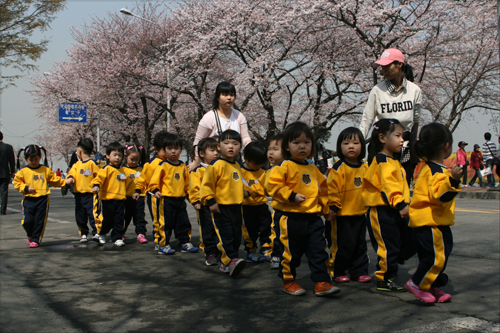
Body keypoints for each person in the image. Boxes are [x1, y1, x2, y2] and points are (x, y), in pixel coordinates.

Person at [267, 122, 340, 297]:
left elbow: (323, 191)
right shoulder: (283, 166)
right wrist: (291, 196)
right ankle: (288, 280)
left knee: (318, 250)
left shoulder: (313, 168)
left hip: (313, 218)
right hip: (290, 218)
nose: (302, 146)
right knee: (291, 252)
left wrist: (326, 209)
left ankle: (322, 282)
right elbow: (273, 187)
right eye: (296, 143)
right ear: (287, 146)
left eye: (307, 142)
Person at [406, 123, 462, 303]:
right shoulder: (435, 171)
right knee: (437, 257)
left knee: (433, 256)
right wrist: (453, 180)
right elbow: (440, 196)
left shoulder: (430, 168)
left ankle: (432, 286)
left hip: (433, 222)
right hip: (431, 222)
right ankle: (417, 283)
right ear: (446, 146)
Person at [359, 48, 422, 186]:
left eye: (388, 65)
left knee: (402, 186)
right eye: (382, 66)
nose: (384, 70)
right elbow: (367, 119)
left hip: (403, 148)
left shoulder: (414, 90)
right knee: (379, 188)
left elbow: (415, 121)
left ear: (399, 64)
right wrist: (358, 144)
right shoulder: (377, 90)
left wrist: (414, 144)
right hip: (381, 147)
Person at [362, 119, 410, 292]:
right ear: (382, 138)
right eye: (397, 136)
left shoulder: (393, 161)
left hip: (394, 210)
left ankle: (394, 264)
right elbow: (388, 187)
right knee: (387, 245)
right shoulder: (381, 162)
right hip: (382, 211)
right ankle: (385, 277)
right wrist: (401, 204)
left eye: (402, 136)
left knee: (399, 242)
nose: (401, 140)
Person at [325, 127, 371, 284]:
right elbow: (332, 189)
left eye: (355, 143)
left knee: (360, 246)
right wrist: (334, 207)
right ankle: (337, 270)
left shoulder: (366, 168)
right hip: (341, 216)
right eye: (346, 143)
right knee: (342, 246)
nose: (351, 146)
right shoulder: (339, 168)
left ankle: (359, 271)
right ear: (340, 147)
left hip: (360, 214)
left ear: (362, 146)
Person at [200, 129, 247, 277]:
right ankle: (231, 259)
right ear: (219, 146)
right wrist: (211, 201)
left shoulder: (237, 165)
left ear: (240, 147)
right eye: (226, 143)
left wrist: (245, 191)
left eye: (235, 143)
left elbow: (238, 183)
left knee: (236, 235)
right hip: (221, 207)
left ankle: (225, 262)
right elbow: (206, 185)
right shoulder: (216, 164)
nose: (231, 146)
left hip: (236, 207)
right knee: (225, 235)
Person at [149, 133, 198, 255]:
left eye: (176, 148)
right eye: (169, 149)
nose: (173, 151)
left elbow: (187, 184)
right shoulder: (162, 165)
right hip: (166, 200)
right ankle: (163, 244)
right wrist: (156, 191)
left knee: (183, 222)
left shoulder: (183, 166)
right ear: (164, 150)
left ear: (181, 150)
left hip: (180, 201)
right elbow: (153, 181)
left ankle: (184, 242)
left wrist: (191, 197)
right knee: (165, 223)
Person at [13, 145, 70, 247]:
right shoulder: (23, 171)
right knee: (28, 221)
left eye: (36, 159)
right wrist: (26, 188)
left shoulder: (45, 169)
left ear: (40, 158)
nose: (34, 162)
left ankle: (36, 239)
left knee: (39, 221)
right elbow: (17, 183)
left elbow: (54, 180)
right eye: (31, 160)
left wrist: (65, 182)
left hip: (42, 199)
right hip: (28, 199)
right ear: (26, 159)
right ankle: (30, 234)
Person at [188, 82, 251, 171]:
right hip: (214, 163)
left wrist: (251, 148)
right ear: (218, 97)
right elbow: (198, 141)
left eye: (232, 95)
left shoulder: (239, 116)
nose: (229, 98)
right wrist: (196, 161)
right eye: (225, 94)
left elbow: (245, 137)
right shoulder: (209, 117)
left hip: (234, 161)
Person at [134, 130, 169, 250]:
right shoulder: (152, 164)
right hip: (155, 197)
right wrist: (138, 191)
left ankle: (179, 239)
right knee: (158, 219)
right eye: (164, 150)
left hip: (170, 196)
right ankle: (159, 240)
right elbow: (143, 178)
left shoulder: (173, 163)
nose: (168, 152)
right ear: (156, 149)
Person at [189, 137, 220, 265]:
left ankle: (221, 251)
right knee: (207, 230)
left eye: (218, 150)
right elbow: (194, 188)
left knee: (221, 229)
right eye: (212, 150)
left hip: (220, 204)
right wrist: (196, 201)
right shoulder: (198, 171)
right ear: (202, 154)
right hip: (204, 206)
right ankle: (210, 252)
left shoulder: (220, 168)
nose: (216, 153)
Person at [91, 142, 129, 247]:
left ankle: (117, 237)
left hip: (120, 200)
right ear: (108, 155)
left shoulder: (122, 170)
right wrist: (96, 185)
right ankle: (102, 233)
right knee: (107, 219)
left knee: (119, 220)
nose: (117, 158)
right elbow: (98, 178)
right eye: (114, 155)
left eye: (120, 155)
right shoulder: (106, 169)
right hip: (108, 200)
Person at [241, 141, 272, 263]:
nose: (259, 166)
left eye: (261, 163)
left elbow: (266, 189)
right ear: (246, 158)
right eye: (256, 163)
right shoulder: (239, 172)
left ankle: (265, 247)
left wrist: (250, 192)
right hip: (246, 207)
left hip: (262, 205)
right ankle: (251, 250)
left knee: (267, 227)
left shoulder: (263, 172)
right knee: (249, 231)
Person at [65, 138, 101, 242]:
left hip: (90, 195)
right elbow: (71, 173)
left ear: (80, 150)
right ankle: (83, 233)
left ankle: (96, 232)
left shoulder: (92, 164)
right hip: (79, 195)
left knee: (93, 214)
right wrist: (70, 179)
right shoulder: (76, 165)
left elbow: (99, 176)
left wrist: (96, 185)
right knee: (80, 215)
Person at [122, 144, 148, 244]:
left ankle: (141, 233)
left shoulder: (141, 170)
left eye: (137, 159)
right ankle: (121, 233)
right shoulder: (123, 170)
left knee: (140, 217)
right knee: (125, 217)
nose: (134, 162)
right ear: (125, 156)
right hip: (127, 198)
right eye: (132, 159)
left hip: (140, 198)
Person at [0, 131, 15, 215]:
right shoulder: (8, 147)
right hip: (5, 173)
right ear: (2, 137)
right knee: (4, 192)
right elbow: (11, 161)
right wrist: (12, 171)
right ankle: (3, 210)